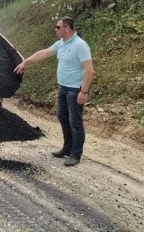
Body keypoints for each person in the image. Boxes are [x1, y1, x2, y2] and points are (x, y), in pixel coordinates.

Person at [14, 16, 94, 167]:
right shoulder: (61, 44)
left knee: (75, 122)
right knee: (62, 117)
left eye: (58, 27)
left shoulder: (80, 45)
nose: (55, 30)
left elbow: (89, 70)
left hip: (75, 89)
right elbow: (43, 53)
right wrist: (25, 62)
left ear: (67, 28)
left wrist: (84, 91)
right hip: (63, 87)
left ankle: (75, 155)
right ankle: (67, 147)